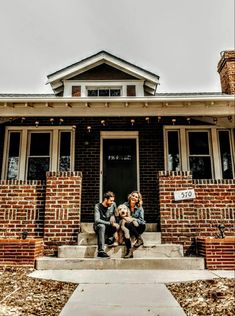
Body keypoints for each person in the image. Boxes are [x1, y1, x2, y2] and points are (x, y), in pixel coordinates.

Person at [93, 191, 120, 258]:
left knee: (115, 225)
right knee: (102, 226)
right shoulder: (97, 206)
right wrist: (110, 223)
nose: (112, 202)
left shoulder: (113, 205)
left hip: (108, 226)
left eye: (113, 200)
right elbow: (97, 220)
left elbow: (116, 216)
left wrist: (116, 221)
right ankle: (101, 251)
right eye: (111, 200)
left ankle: (110, 239)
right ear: (105, 199)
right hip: (99, 226)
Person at [122, 191, 146, 258]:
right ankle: (129, 252)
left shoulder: (140, 208)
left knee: (129, 224)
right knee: (126, 228)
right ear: (130, 196)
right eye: (133, 196)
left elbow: (142, 221)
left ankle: (139, 239)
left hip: (139, 227)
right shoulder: (125, 205)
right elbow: (121, 214)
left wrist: (133, 219)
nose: (134, 198)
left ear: (138, 200)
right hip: (129, 226)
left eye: (136, 197)